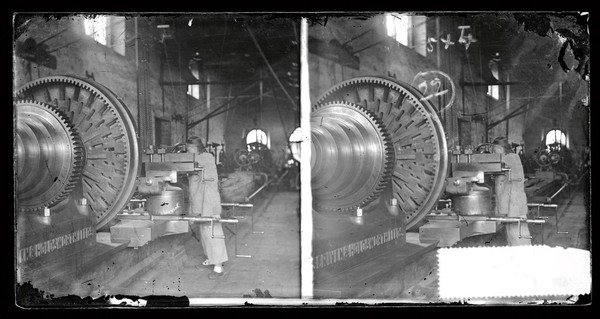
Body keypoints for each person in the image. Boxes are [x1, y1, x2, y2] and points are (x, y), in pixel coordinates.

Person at [187, 136, 228, 279]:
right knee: (204, 230)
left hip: (209, 201)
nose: (187, 152)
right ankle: (211, 258)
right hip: (201, 200)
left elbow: (206, 180)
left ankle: (218, 265)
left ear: (194, 147)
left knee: (212, 230)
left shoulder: (206, 157)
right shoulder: (198, 158)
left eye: (188, 149)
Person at [492, 137, 532, 246]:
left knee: (516, 233)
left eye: (494, 150)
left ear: (500, 148)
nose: (494, 153)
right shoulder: (513, 157)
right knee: (514, 233)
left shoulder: (509, 158)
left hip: (513, 201)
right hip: (512, 201)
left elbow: (492, 164)